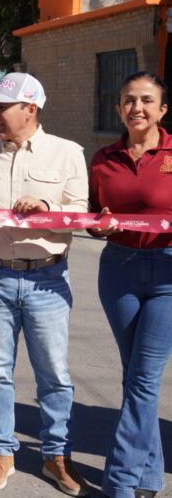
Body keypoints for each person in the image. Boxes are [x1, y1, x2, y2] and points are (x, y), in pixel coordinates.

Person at [0, 72, 90, 496]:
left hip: (47, 278)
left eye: (2, 106)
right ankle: (0, 453)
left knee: (55, 374)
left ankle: (56, 456)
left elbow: (81, 212)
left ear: (31, 108)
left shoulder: (67, 154)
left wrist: (47, 206)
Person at [88, 71, 170, 498]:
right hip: (118, 268)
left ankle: (119, 482)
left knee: (142, 378)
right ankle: (150, 475)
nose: (136, 107)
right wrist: (98, 227)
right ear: (119, 108)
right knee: (136, 375)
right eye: (128, 100)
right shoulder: (103, 158)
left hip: (169, 274)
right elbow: (90, 212)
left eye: (145, 100)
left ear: (162, 109)